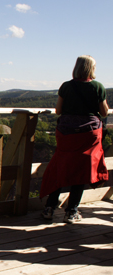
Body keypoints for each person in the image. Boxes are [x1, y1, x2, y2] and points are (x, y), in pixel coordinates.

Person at [40, 55, 109, 223]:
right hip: (88, 134)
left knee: (60, 166)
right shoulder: (98, 87)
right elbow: (104, 112)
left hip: (66, 133)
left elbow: (58, 110)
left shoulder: (66, 86)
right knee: (81, 169)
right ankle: (71, 212)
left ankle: (49, 208)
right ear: (91, 68)